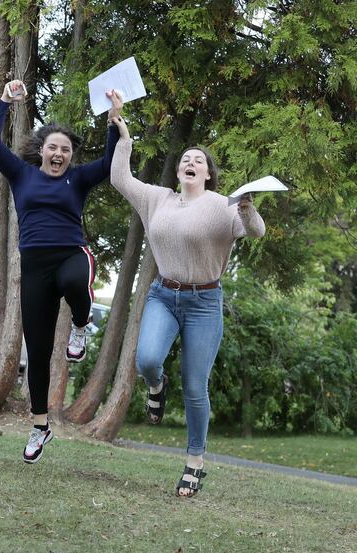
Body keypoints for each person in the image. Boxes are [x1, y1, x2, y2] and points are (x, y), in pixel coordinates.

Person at [107, 91, 266, 496]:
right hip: (164, 294)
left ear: (208, 174)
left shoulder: (221, 205)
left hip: (204, 303)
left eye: (198, 160)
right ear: (178, 172)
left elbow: (256, 231)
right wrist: (122, 134)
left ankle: (195, 461)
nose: (190, 163)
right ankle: (156, 388)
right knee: (146, 360)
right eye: (185, 160)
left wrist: (246, 207)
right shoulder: (157, 199)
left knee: (196, 386)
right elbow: (119, 179)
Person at [0, 80, 120, 464]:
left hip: (70, 254)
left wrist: (113, 122)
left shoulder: (79, 178)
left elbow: (109, 164)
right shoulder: (21, 175)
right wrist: (6, 101)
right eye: (53, 148)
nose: (59, 154)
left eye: (66, 150)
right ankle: (40, 425)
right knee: (38, 352)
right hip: (34, 266)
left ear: (71, 156)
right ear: (42, 151)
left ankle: (80, 324)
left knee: (76, 281)